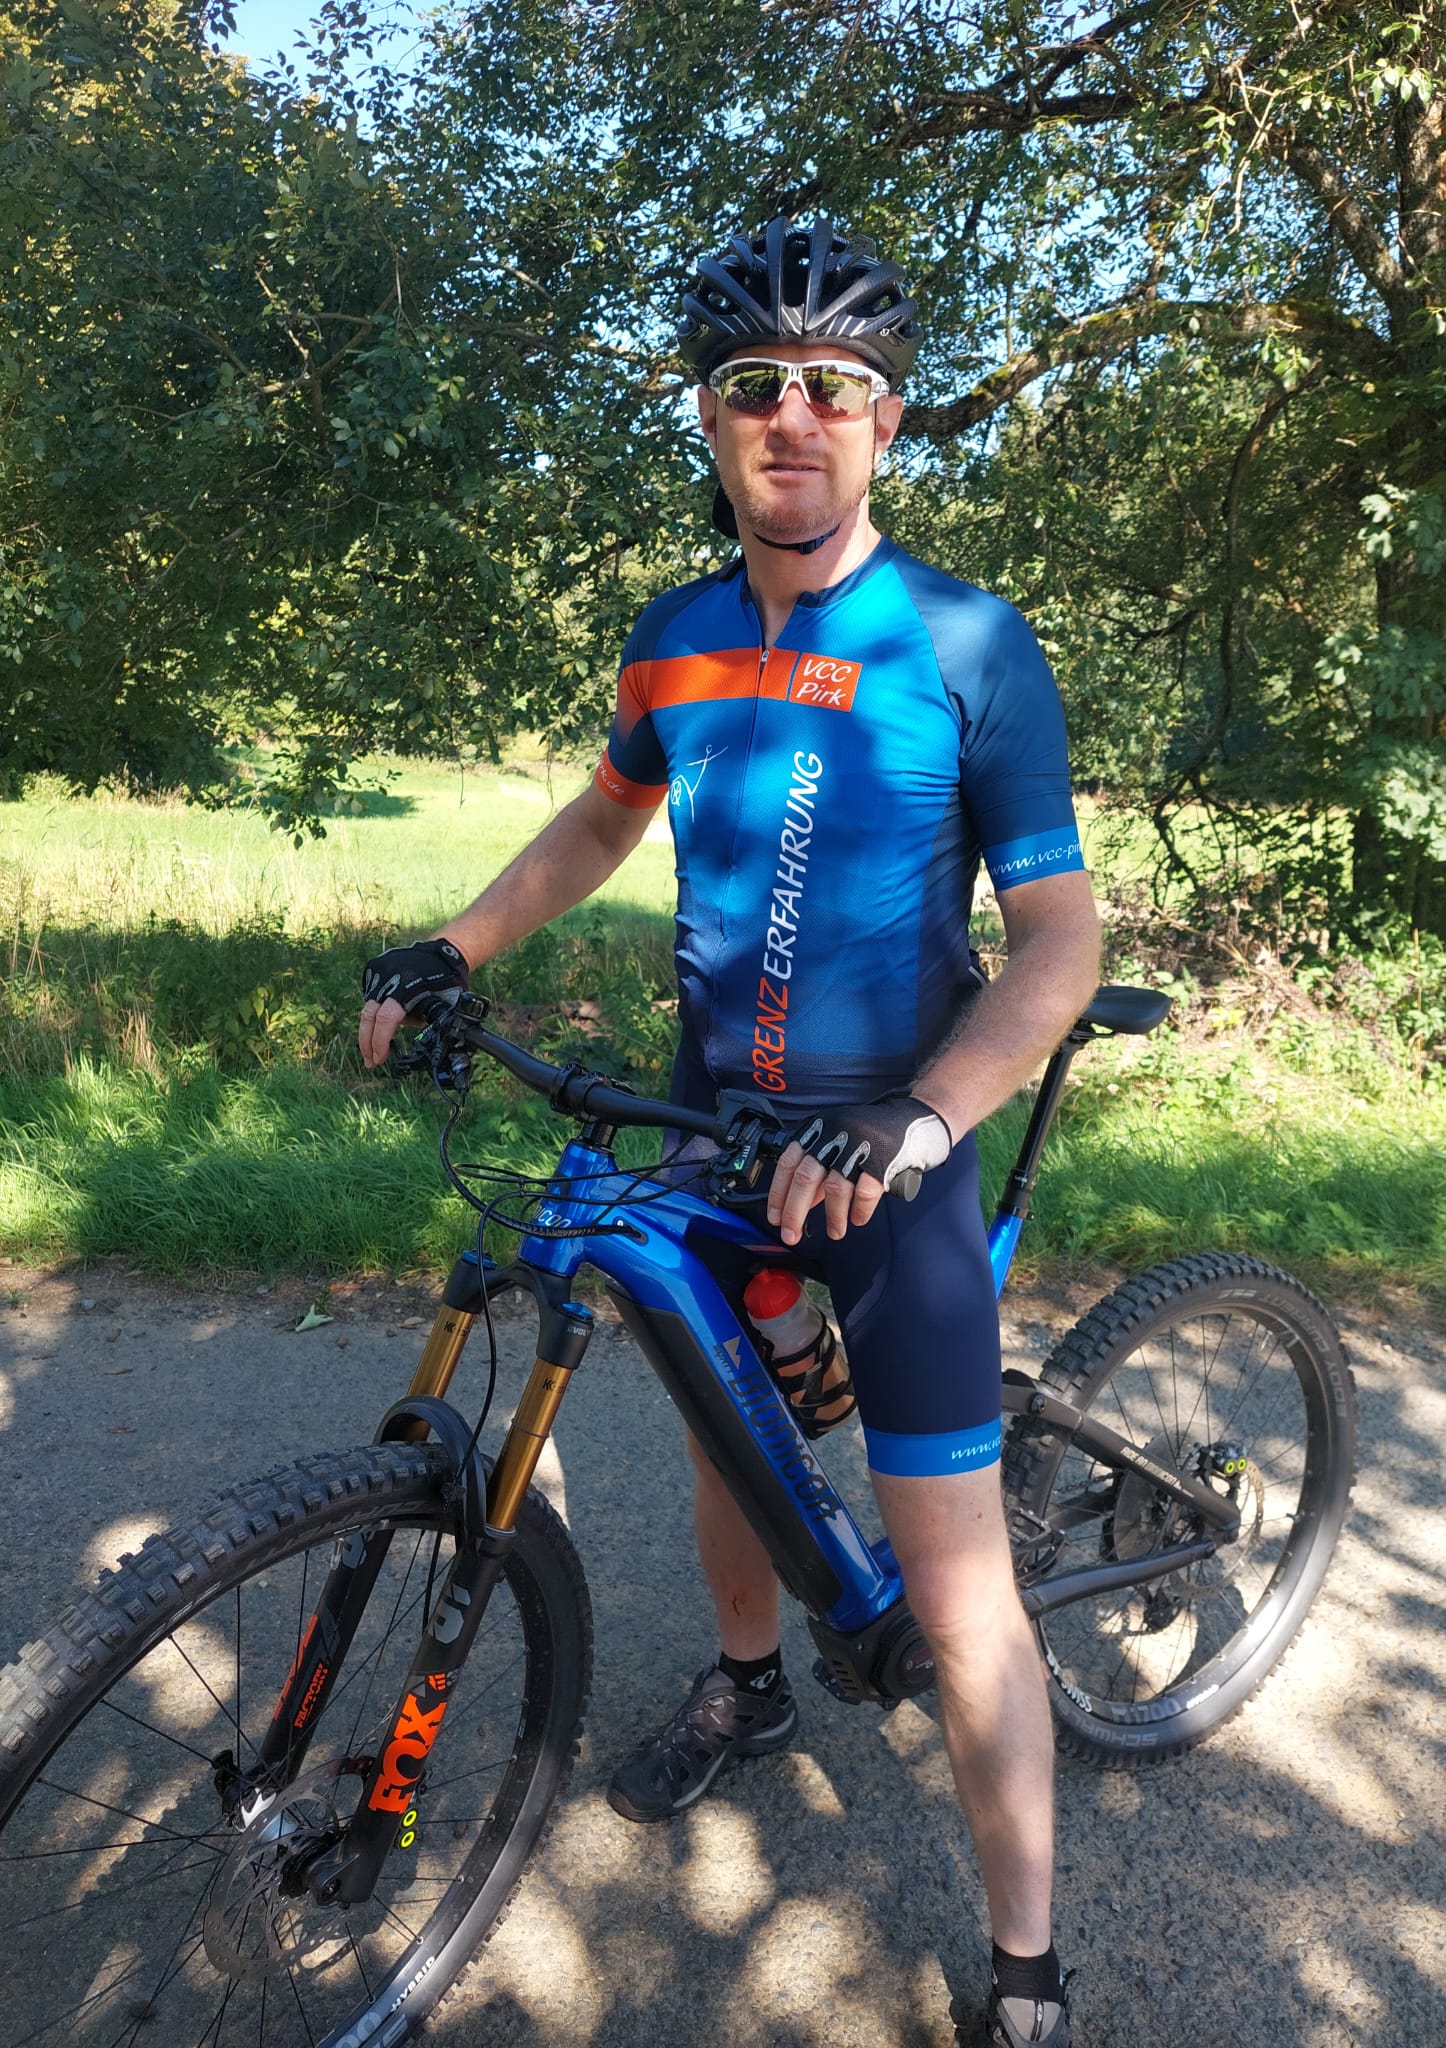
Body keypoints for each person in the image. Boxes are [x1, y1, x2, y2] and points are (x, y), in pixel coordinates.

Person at [359, 216, 1101, 2048]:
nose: (794, 415)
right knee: (725, 1430)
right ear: (707, 415)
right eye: (754, 383)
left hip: (890, 1153)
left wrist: (922, 1120)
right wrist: (455, 947)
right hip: (715, 1132)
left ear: (887, 422)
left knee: (960, 1596)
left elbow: (1060, 944)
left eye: (834, 388)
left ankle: (1026, 1965)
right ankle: (752, 1684)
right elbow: (604, 822)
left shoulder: (967, 643)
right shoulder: (676, 636)